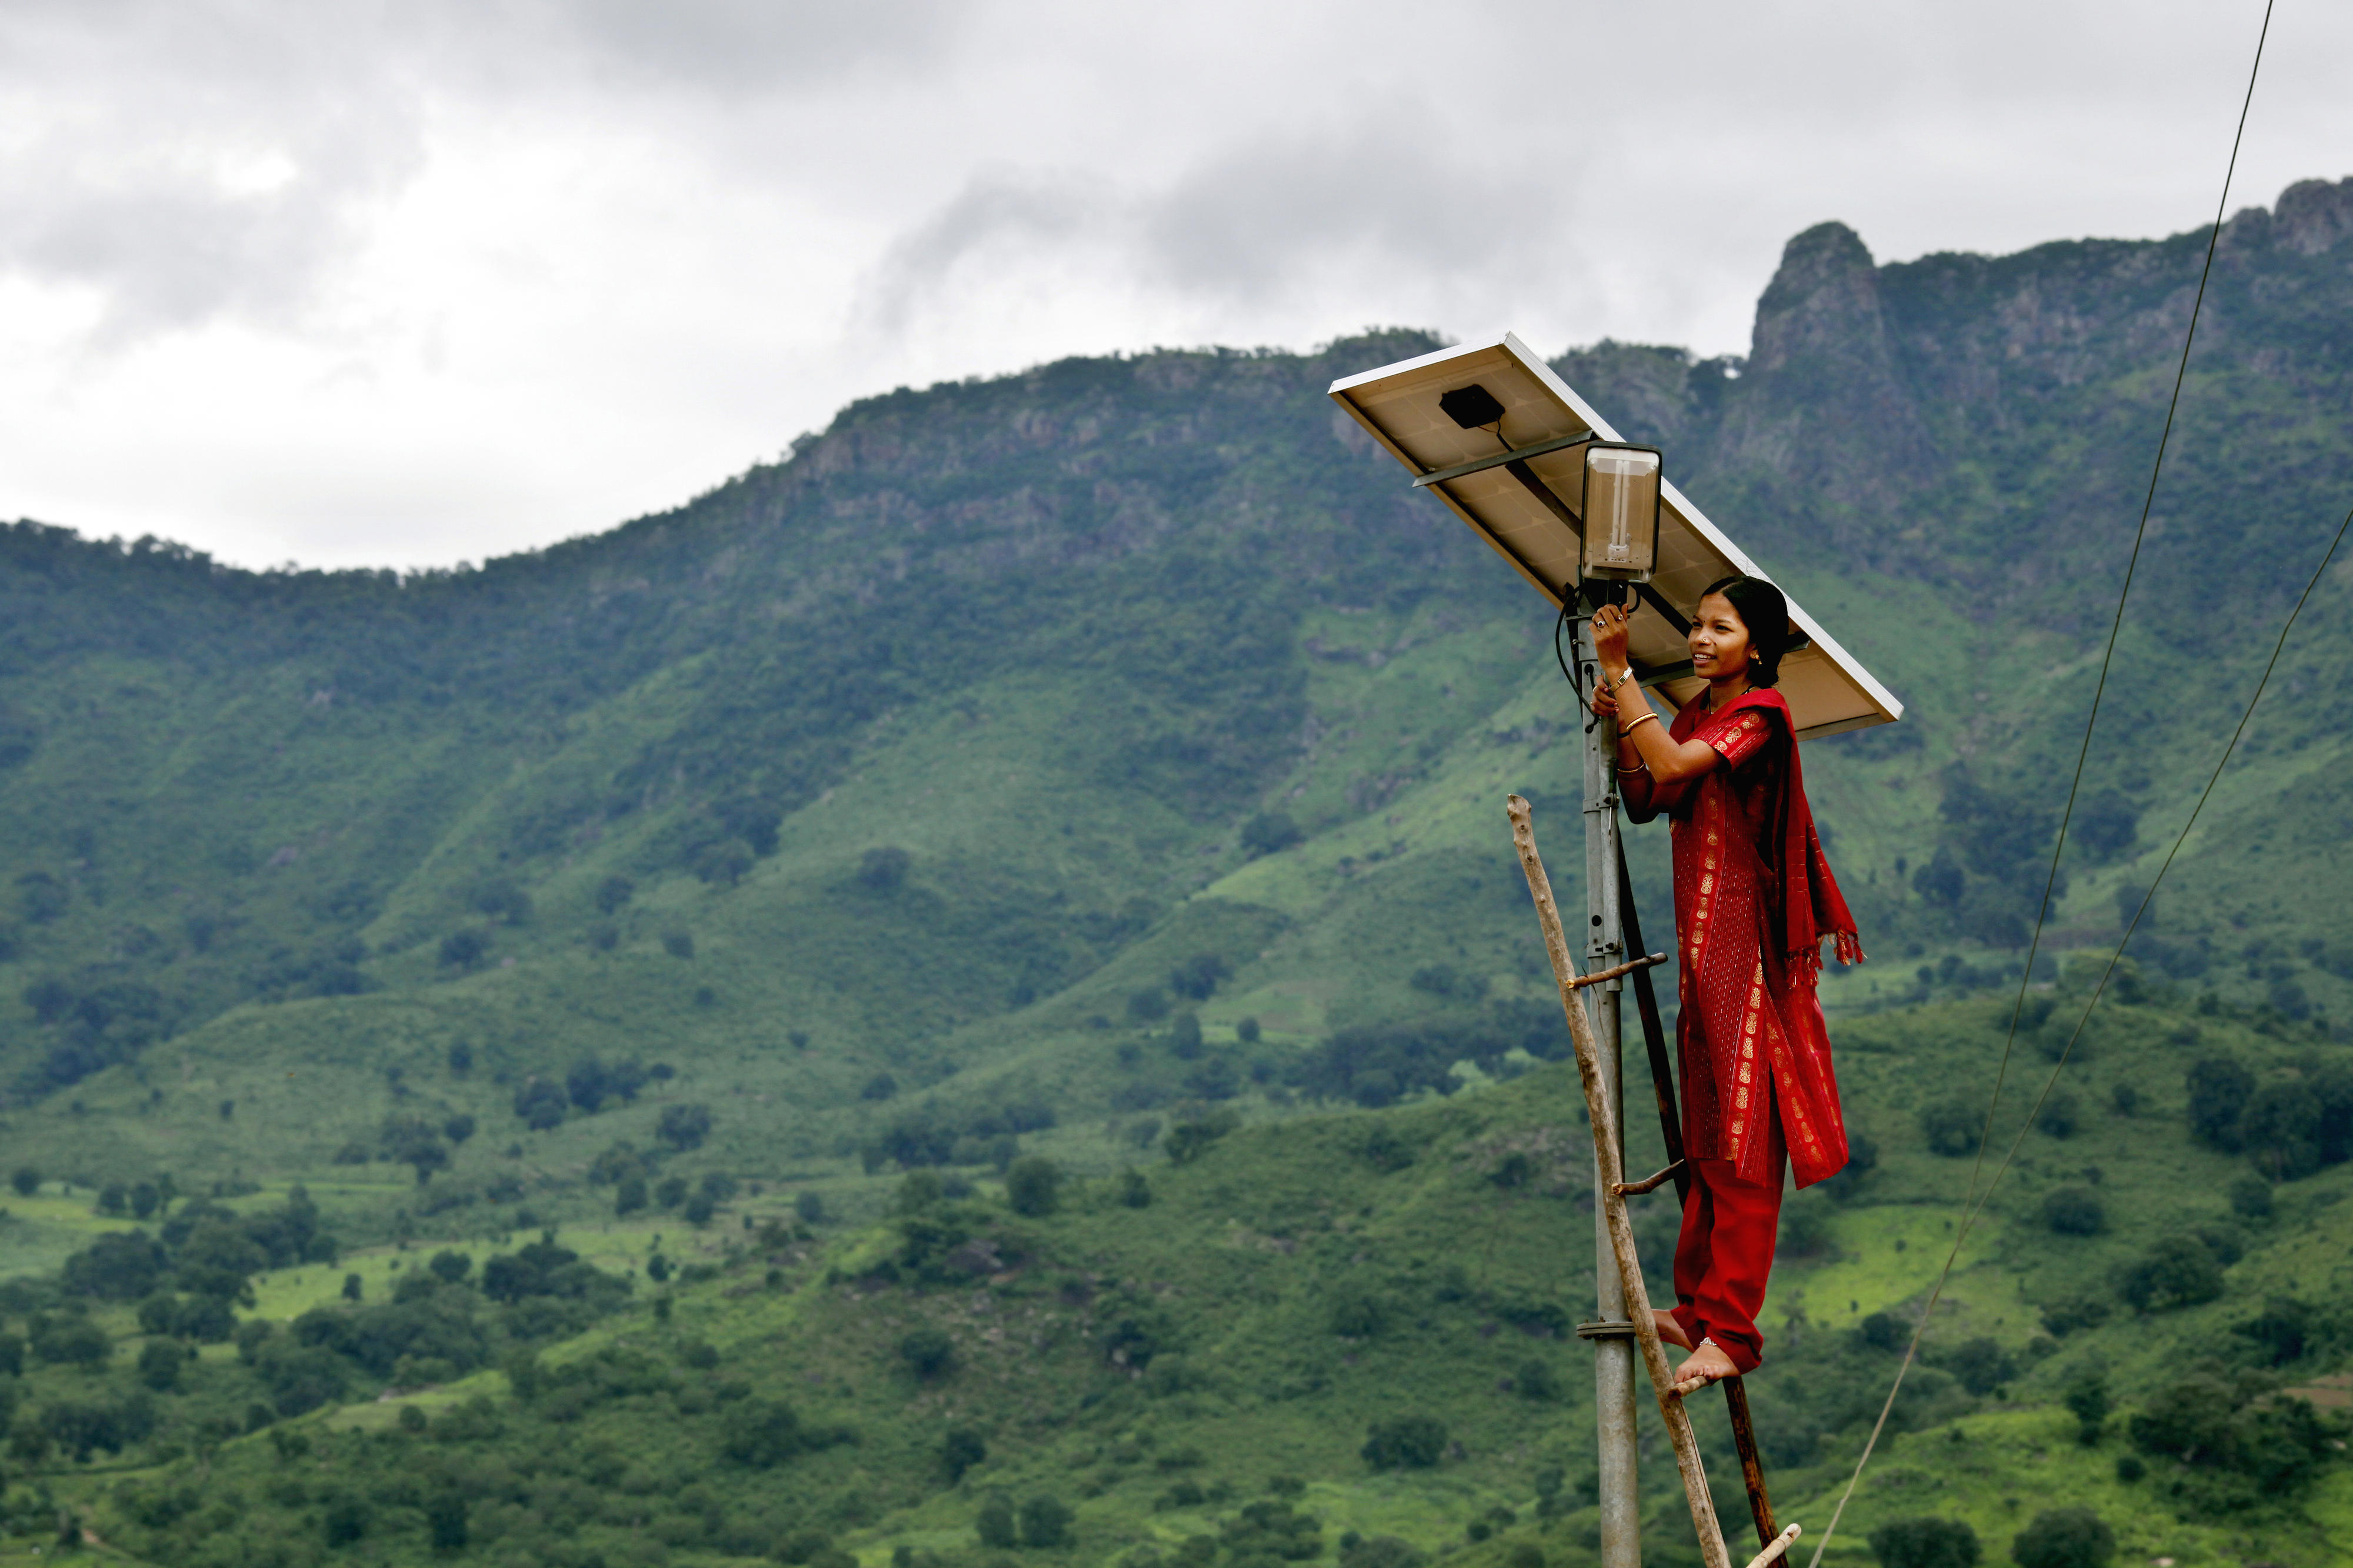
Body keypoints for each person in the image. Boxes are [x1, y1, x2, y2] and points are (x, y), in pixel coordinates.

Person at [1588, 574, 1863, 1393]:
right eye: (1699, 626)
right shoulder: (1699, 714)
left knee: (1745, 1143)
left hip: (1749, 950)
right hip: (1707, 952)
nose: (1701, 639)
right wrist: (1625, 723)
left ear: (1759, 645)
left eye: (1721, 627)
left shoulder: (1762, 717)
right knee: (1707, 1135)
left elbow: (1675, 763)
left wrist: (1623, 674)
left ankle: (1734, 1333)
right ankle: (1702, 1308)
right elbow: (1648, 793)